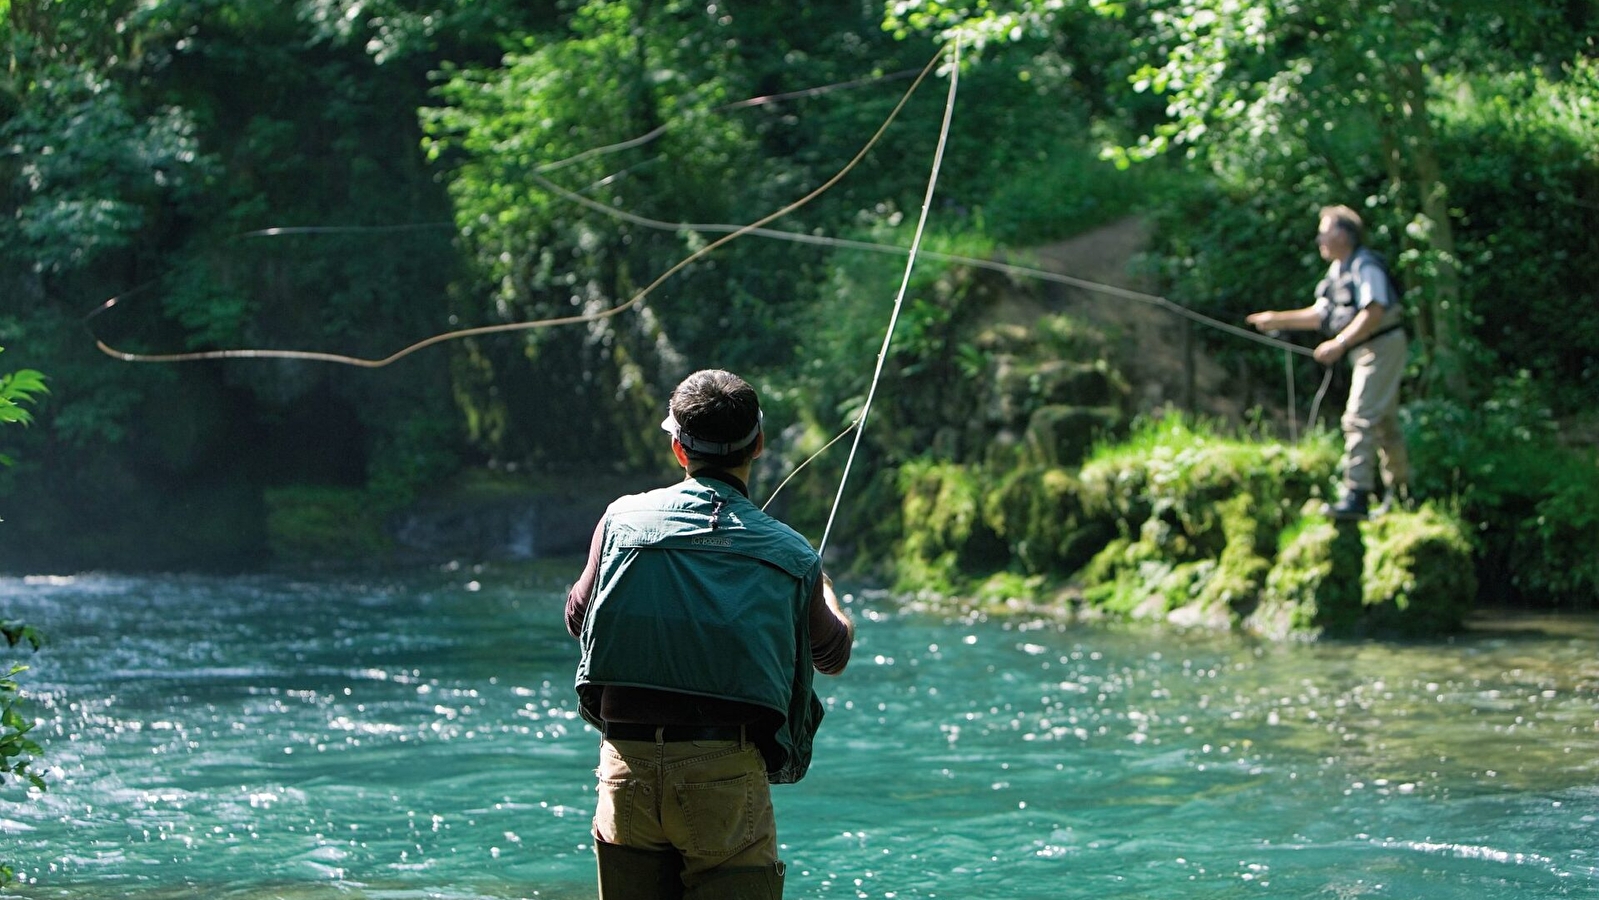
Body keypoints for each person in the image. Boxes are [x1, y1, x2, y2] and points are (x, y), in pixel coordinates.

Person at [566, 368, 855, 900]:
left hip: (624, 769)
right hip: (723, 773)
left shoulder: (618, 521)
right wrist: (824, 585)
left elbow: (578, 618)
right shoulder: (791, 553)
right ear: (758, 445)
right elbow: (832, 654)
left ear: (678, 448)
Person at [1247, 205, 1411, 519]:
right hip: (1367, 349)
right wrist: (1276, 319)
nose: (1319, 239)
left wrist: (1339, 343)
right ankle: (1404, 496)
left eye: (1324, 232)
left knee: (1359, 418)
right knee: (1384, 423)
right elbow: (1320, 313)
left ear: (1343, 235)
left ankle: (1356, 496)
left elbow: (1374, 310)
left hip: (1382, 347)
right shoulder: (1337, 271)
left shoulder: (1364, 265)